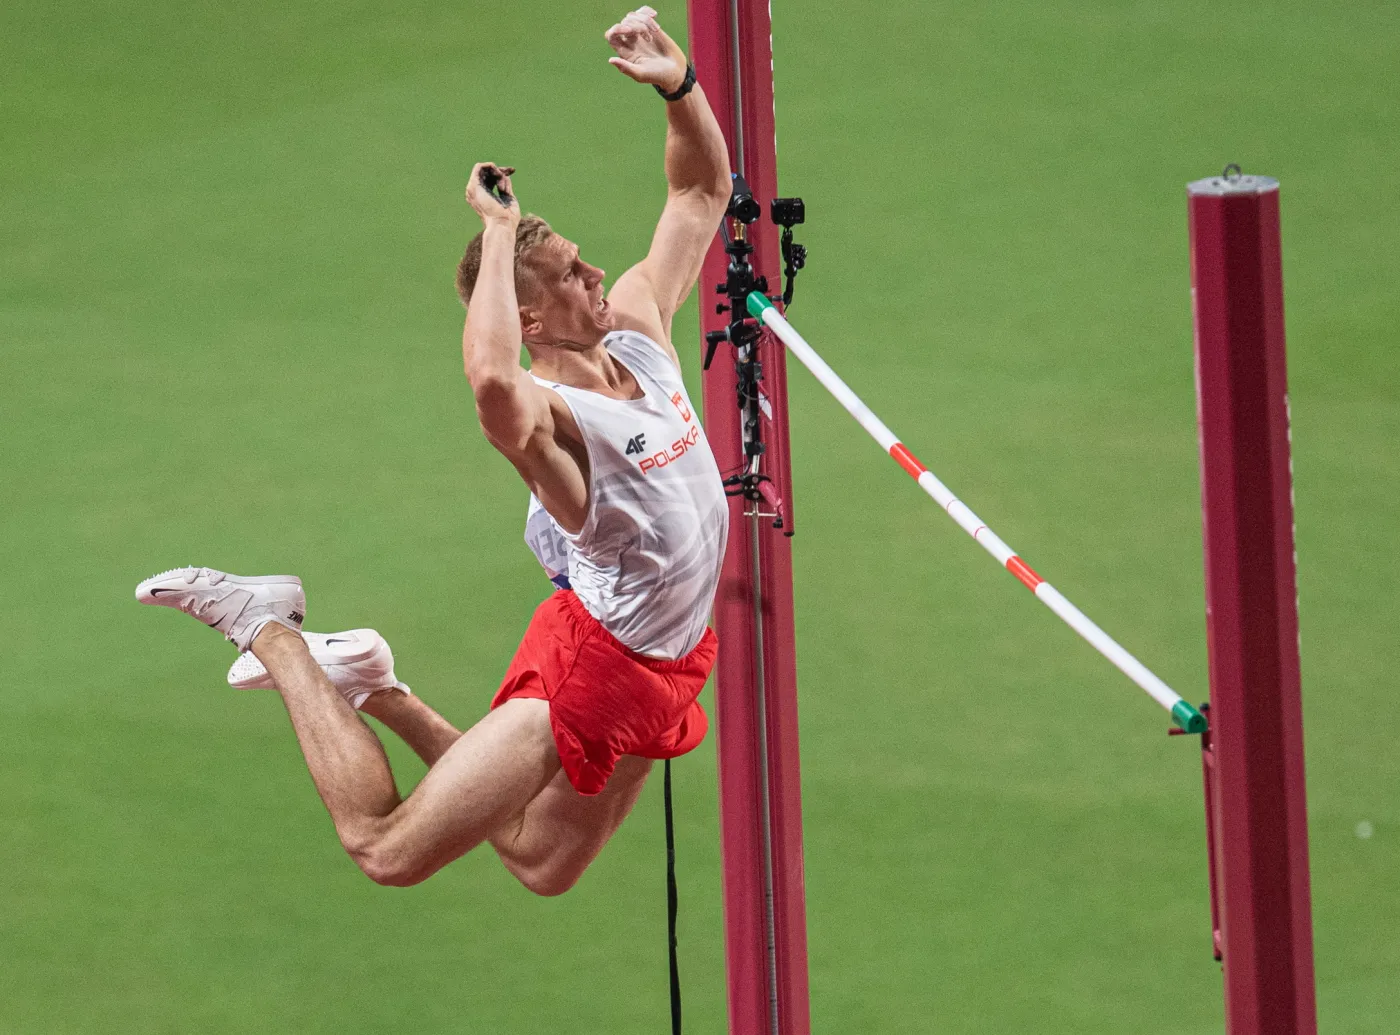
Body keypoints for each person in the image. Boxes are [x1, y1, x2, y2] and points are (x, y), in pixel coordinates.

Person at [134, 6, 732, 896]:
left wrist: (679, 87)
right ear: (529, 317)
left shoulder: (641, 331)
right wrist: (499, 233)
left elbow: (698, 195)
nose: (596, 273)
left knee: (542, 861)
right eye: (572, 273)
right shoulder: (554, 422)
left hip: (669, 656)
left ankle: (373, 679)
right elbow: (493, 382)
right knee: (386, 848)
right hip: (599, 659)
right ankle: (265, 624)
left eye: (581, 258)